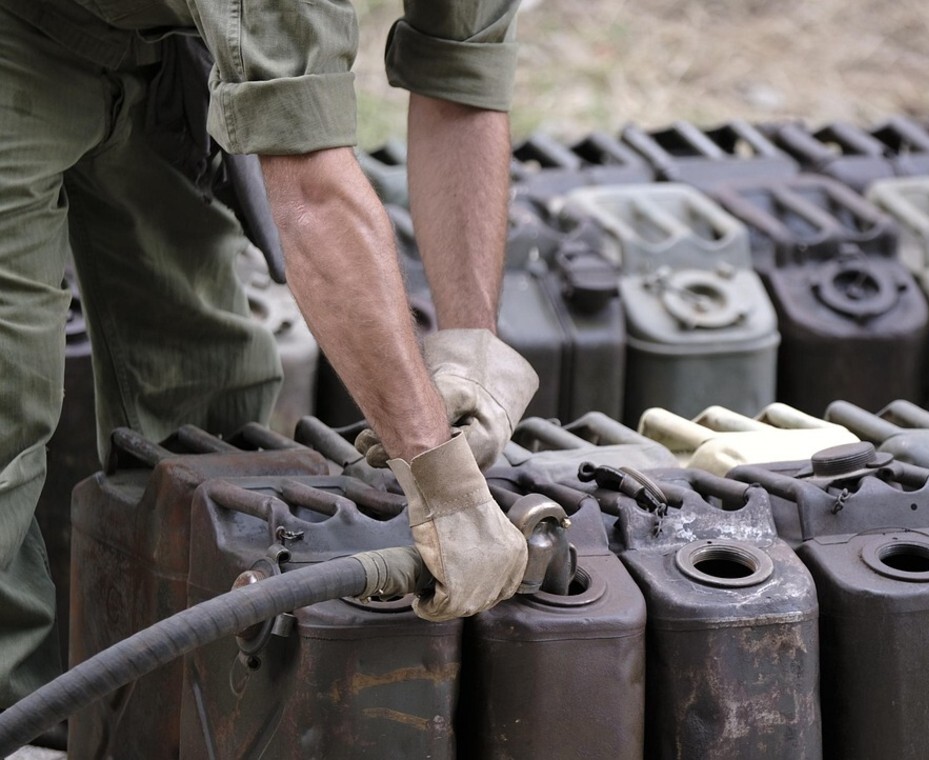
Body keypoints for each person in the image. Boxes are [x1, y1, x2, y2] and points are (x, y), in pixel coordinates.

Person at [0, 0, 537, 725]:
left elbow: (461, 78)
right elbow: (312, 194)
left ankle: (169, 725)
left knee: (208, 417)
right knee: (7, 410)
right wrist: (436, 475)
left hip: (168, 46)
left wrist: (470, 342)